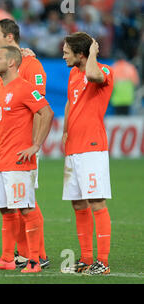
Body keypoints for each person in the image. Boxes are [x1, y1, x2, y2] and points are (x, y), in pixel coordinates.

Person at [0, 46, 53, 273]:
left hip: (19, 161)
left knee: (27, 208)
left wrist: (36, 145)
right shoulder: (0, 88)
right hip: (1, 158)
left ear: (11, 62)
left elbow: (46, 112)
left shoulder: (24, 88)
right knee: (6, 209)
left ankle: (33, 260)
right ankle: (7, 258)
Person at [61, 32, 113, 275]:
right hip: (74, 147)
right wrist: (64, 131)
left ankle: (102, 262)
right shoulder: (73, 73)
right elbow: (70, 102)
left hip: (92, 147)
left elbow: (93, 75)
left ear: (81, 54)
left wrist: (93, 52)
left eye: (67, 51)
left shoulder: (103, 71)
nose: (63, 55)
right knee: (78, 203)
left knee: (96, 201)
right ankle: (86, 258)